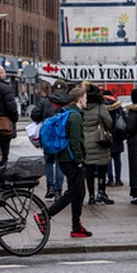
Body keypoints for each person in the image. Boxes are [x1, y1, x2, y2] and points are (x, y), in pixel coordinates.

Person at [38, 84, 91, 239]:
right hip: (71, 159)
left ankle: (76, 226)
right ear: (80, 99)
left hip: (65, 157)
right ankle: (45, 214)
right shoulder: (75, 116)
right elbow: (75, 140)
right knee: (74, 191)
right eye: (85, 98)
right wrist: (79, 159)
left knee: (80, 192)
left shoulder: (68, 112)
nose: (86, 100)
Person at [30, 80, 70, 199]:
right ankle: (58, 191)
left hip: (47, 136)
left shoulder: (45, 101)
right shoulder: (68, 102)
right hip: (62, 137)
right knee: (59, 163)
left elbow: (34, 115)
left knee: (48, 161)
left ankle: (50, 187)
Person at [80, 83, 115, 205]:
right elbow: (109, 122)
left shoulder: (82, 107)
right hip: (99, 140)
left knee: (89, 169)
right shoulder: (100, 107)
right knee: (102, 168)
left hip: (85, 140)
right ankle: (101, 192)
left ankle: (91, 195)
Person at [106, 90, 126, 188]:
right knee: (117, 159)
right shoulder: (118, 107)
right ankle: (118, 179)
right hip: (117, 135)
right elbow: (124, 120)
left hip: (106, 136)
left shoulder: (102, 107)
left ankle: (110, 179)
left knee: (108, 159)